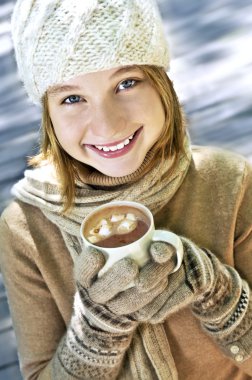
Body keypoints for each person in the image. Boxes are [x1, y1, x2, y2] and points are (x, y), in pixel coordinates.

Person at [0, 0, 251, 379]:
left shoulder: (227, 182)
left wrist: (220, 295)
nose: (107, 125)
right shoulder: (24, 229)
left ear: (162, 84)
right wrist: (97, 331)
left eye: (126, 83)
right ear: (48, 114)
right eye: (72, 98)